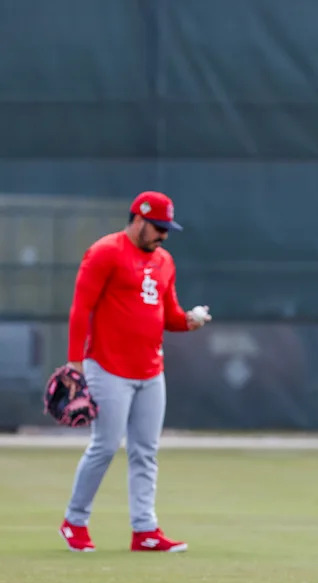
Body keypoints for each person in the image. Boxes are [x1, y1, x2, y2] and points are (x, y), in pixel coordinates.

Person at [57, 191, 211, 553]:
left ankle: (144, 530)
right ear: (139, 219)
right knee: (105, 446)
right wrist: (74, 363)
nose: (163, 235)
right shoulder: (105, 252)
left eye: (167, 229)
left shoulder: (165, 261)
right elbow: (81, 308)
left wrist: (189, 321)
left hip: (150, 370)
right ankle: (74, 520)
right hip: (107, 367)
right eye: (158, 227)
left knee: (146, 451)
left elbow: (168, 315)